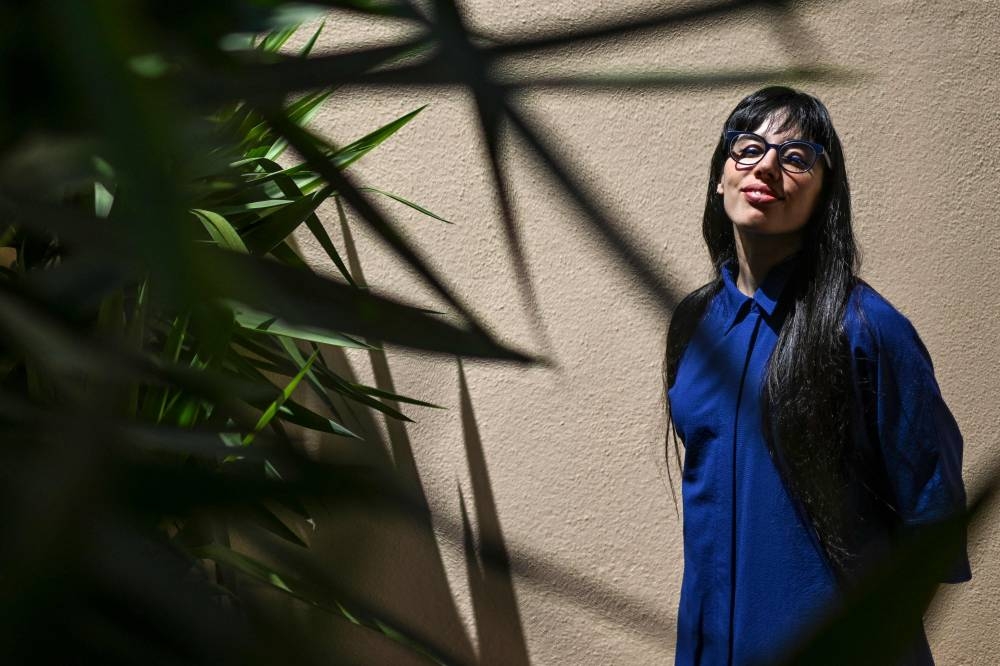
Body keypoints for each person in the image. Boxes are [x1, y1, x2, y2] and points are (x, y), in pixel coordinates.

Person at [663, 87, 970, 665]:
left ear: (826, 194)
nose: (767, 167)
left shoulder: (869, 330)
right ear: (719, 177)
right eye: (747, 148)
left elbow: (933, 518)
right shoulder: (694, 324)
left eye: (797, 156)